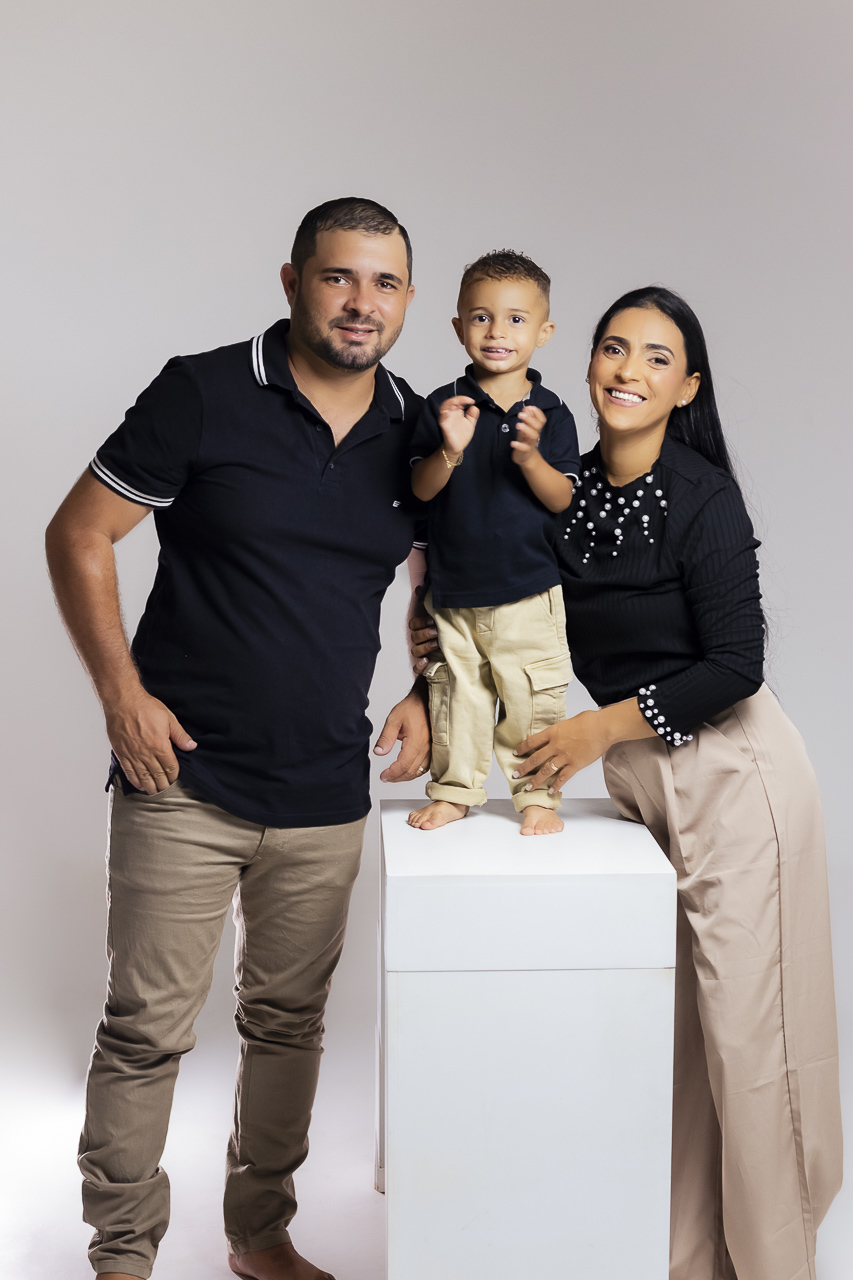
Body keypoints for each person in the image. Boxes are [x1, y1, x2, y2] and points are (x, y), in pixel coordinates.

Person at [411, 285, 842, 1280]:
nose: (628, 370)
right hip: (644, 781)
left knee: (753, 1047)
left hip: (734, 773)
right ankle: (695, 1264)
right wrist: (419, 683)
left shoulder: (700, 496)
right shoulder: (560, 486)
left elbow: (735, 664)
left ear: (686, 387)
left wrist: (597, 728)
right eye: (614, 347)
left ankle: (778, 1265)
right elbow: (483, 594)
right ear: (586, 360)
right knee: (686, 1049)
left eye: (656, 357)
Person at [45, 197, 431, 1280]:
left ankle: (259, 1237)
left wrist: (427, 686)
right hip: (182, 779)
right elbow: (80, 532)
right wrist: (120, 694)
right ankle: (122, 1258)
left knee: (289, 1027)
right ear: (294, 280)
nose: (360, 302)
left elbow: (443, 574)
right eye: (339, 276)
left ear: (407, 299)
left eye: (385, 283)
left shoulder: (417, 429)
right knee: (144, 1030)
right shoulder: (204, 392)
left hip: (326, 790)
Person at [406, 250, 580, 836]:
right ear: (459, 327)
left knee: (532, 701)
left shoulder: (552, 413)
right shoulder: (443, 405)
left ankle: (538, 797)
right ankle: (455, 792)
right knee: (457, 698)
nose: (497, 332)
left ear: (543, 332)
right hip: (454, 591)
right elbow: (420, 490)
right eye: (481, 317)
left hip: (529, 591)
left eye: (515, 319)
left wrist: (531, 457)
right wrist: (449, 449)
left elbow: (561, 498)